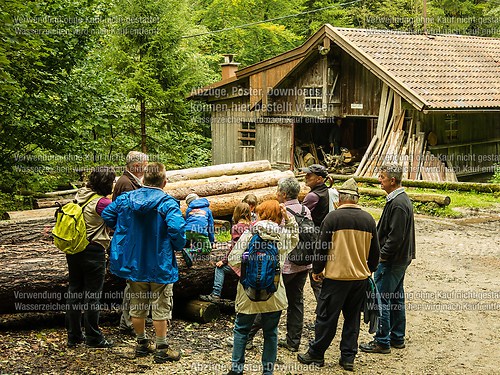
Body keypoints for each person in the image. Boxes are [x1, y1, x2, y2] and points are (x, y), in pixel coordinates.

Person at [102, 162, 185, 363]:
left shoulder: (126, 199)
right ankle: (162, 348)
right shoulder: (168, 203)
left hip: (133, 263)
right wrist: (177, 245)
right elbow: (177, 230)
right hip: (160, 263)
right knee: (161, 305)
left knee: (137, 303)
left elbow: (107, 214)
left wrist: (125, 229)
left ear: (143, 180)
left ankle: (141, 344)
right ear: (164, 182)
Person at [297, 178, 380, 371]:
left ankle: (316, 354)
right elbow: (375, 254)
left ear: (340, 199)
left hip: (336, 278)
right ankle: (348, 357)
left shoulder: (332, 218)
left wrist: (317, 271)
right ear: (356, 199)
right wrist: (368, 270)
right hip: (359, 279)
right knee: (352, 319)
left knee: (326, 317)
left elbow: (321, 248)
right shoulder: (368, 220)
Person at [226, 200, 299, 375]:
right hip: (273, 292)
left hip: (247, 292)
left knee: (241, 330)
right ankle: (267, 371)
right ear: (279, 216)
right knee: (271, 332)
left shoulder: (250, 233)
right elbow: (295, 239)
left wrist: (247, 272)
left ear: (260, 214)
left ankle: (236, 369)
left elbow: (233, 259)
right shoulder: (282, 235)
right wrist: (289, 220)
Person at [360, 164, 416, 354]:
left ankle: (382, 340)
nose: (379, 180)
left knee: (382, 299)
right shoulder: (398, 199)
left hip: (392, 261)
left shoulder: (399, 203)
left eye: (382, 177)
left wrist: (380, 257)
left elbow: (395, 237)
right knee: (396, 298)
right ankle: (397, 337)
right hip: (399, 259)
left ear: (392, 180)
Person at [66, 166, 116, 348]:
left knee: (74, 291)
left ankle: (73, 336)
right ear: (106, 183)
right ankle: (93, 337)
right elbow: (117, 221)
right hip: (93, 251)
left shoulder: (80, 195)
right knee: (92, 296)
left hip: (73, 249)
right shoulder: (102, 203)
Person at [113, 151, 148, 335]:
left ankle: (131, 320)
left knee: (134, 281)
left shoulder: (131, 181)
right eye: (145, 163)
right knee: (133, 281)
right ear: (136, 166)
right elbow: (130, 214)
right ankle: (128, 322)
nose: (147, 166)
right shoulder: (126, 184)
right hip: (130, 240)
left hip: (133, 239)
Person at [275, 177, 312, 353]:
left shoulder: (283, 212)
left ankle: (248, 335)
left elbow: (279, 238)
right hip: (304, 263)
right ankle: (293, 342)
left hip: (287, 264)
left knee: (271, 299)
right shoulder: (305, 210)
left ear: (283, 194)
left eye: (277, 191)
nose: (276, 193)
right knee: (296, 301)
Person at [200, 202, 252, 303]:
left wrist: (224, 261)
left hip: (240, 262)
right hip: (250, 261)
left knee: (220, 269)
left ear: (236, 213)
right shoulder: (252, 226)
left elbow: (236, 248)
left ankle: (215, 294)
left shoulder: (236, 228)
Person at [299, 164, 330, 302]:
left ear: (319, 179)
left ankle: (324, 315)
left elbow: (299, 217)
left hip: (313, 239)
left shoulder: (312, 196)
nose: (306, 177)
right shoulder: (327, 191)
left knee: (315, 278)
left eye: (309, 175)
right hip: (323, 237)